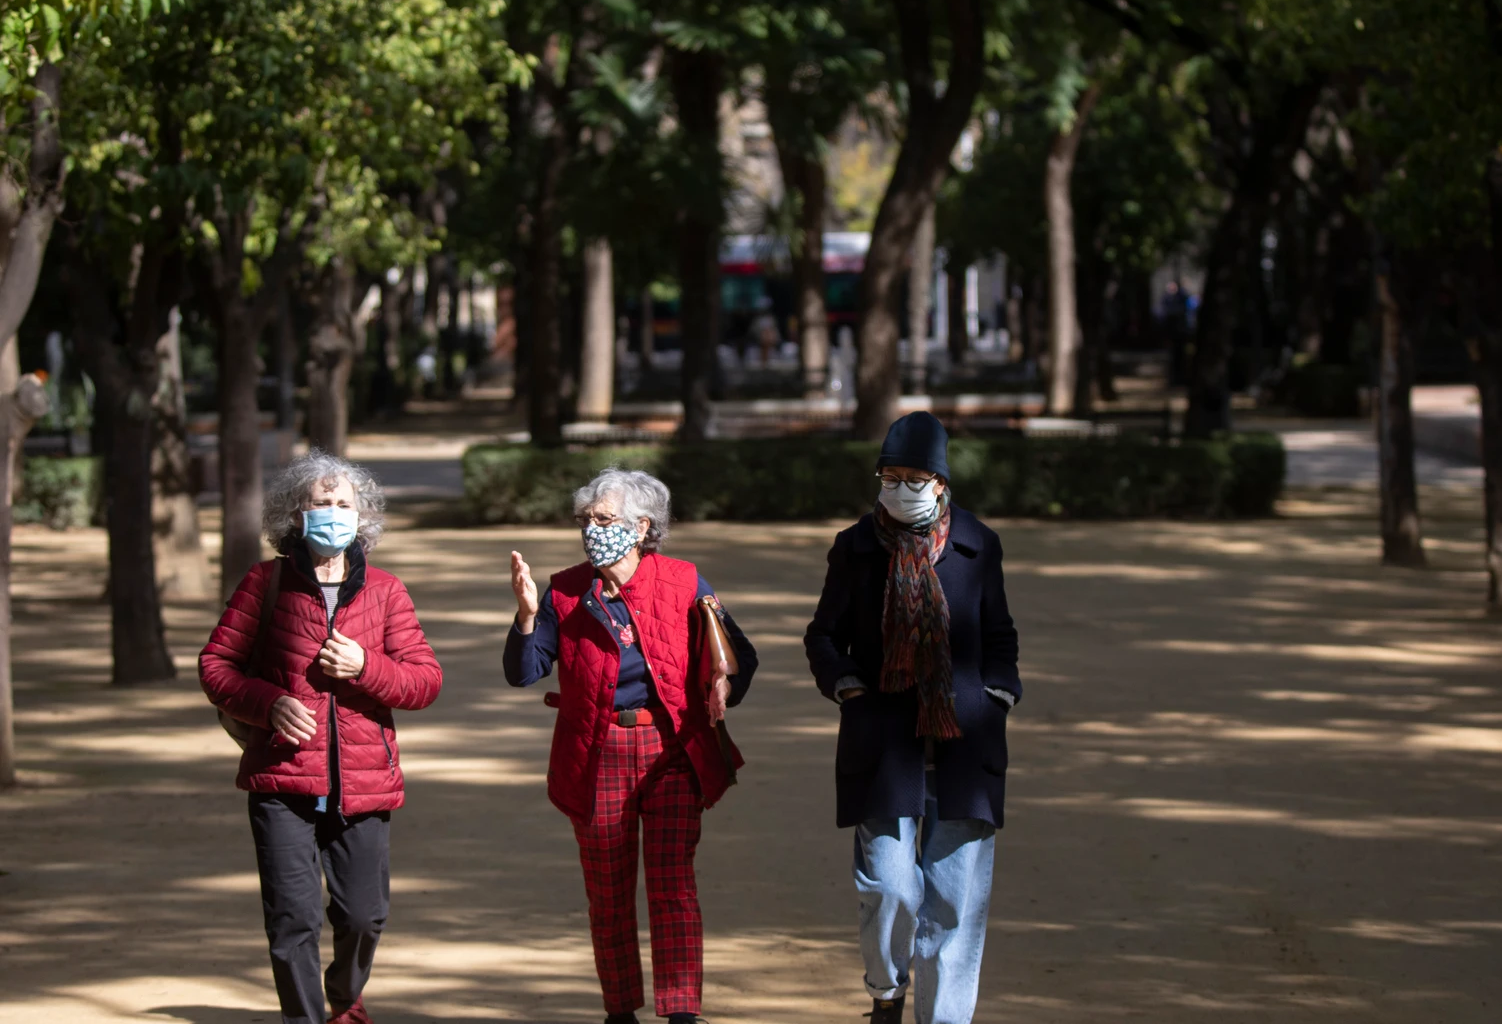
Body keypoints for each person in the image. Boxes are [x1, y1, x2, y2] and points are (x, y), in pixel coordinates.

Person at [503, 468, 760, 1024]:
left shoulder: (686, 580)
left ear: (642, 526)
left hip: (671, 749)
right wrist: (527, 615)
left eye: (605, 519)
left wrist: (722, 683)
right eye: (586, 521)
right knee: (608, 895)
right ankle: (619, 1012)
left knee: (672, 887)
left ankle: (681, 1013)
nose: (592, 530)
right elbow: (524, 672)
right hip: (594, 753)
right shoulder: (566, 590)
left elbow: (741, 660)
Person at [200, 450, 443, 1024]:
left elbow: (426, 681)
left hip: (364, 782)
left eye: (343, 505)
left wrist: (367, 667)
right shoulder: (263, 583)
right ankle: (304, 1018)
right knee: (292, 916)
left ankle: (345, 995)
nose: (332, 514)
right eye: (320, 504)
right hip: (282, 778)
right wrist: (269, 703)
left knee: (363, 916)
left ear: (362, 518)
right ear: (296, 515)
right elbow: (217, 665)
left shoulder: (385, 591)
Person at [805, 411, 1022, 1024]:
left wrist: (999, 692)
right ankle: (886, 990)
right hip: (883, 743)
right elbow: (823, 635)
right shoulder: (855, 548)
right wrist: (846, 684)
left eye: (914, 476)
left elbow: (1000, 632)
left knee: (953, 905)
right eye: (889, 475)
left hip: (965, 744)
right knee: (891, 890)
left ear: (941, 484)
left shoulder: (980, 544)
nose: (900, 486)